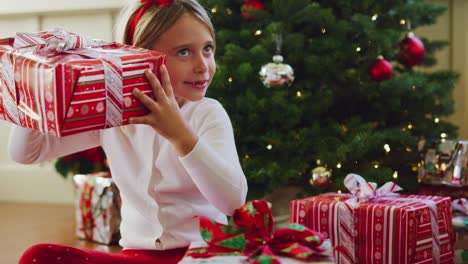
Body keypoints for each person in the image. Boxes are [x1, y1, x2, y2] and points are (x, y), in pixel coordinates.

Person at [9, 0, 248, 263]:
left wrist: (181, 136)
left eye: (207, 49)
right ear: (139, 56)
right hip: (138, 256)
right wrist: (32, 87)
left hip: (205, 253)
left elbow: (232, 201)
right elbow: (27, 153)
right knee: (39, 255)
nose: (203, 65)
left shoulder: (207, 114)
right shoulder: (111, 113)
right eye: (184, 52)